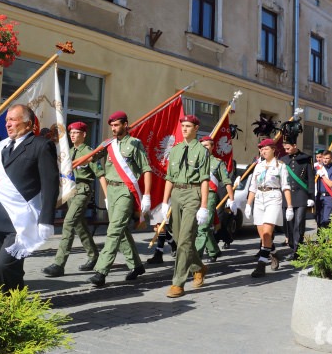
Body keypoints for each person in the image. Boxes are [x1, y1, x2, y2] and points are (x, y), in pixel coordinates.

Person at [0, 104, 59, 290]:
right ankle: (8, 310)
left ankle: (14, 309)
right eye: (6, 120)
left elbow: (50, 184)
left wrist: (47, 220)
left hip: (20, 221)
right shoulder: (1, 147)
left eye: (12, 120)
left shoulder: (41, 145)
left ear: (28, 124)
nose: (7, 124)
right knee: (0, 270)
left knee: (6, 266)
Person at [88, 111, 152, 288]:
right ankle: (137, 265)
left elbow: (146, 169)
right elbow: (92, 159)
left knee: (114, 230)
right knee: (121, 231)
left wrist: (146, 195)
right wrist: (93, 155)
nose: (114, 129)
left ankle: (101, 272)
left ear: (125, 124)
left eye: (117, 125)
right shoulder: (108, 144)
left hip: (126, 191)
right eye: (112, 126)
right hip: (111, 190)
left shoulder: (135, 144)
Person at [42, 121, 107, 277]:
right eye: (71, 133)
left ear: (84, 135)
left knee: (69, 223)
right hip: (70, 190)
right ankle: (93, 255)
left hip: (82, 191)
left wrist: (107, 198)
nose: (72, 135)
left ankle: (59, 264)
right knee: (79, 225)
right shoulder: (69, 152)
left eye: (76, 132)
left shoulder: (89, 153)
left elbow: (100, 175)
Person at [160, 115, 211, 298]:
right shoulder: (175, 150)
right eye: (183, 126)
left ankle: (178, 283)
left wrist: (204, 206)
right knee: (179, 237)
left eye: (188, 126)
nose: (184, 129)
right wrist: (164, 203)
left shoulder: (202, 151)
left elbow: (205, 179)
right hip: (176, 194)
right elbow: (169, 178)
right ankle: (199, 267)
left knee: (185, 239)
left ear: (196, 128)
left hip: (193, 193)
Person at [245, 138, 292, 277]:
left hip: (273, 197)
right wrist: (248, 204)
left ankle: (261, 265)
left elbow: (286, 187)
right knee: (263, 236)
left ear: (273, 149)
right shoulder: (258, 166)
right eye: (261, 149)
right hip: (259, 198)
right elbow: (253, 187)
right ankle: (273, 253)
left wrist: (289, 206)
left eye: (265, 148)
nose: (263, 151)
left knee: (266, 233)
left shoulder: (280, 166)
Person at [195, 135, 237, 263]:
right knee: (200, 227)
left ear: (212, 147)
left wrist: (231, 199)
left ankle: (195, 259)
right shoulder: (194, 162)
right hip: (195, 195)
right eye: (203, 145)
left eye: (208, 145)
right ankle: (214, 251)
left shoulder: (218, 162)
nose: (205, 148)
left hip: (210, 195)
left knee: (203, 226)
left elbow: (226, 181)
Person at [281, 138, 314, 260]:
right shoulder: (283, 160)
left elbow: (310, 179)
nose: (286, 151)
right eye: (285, 149)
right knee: (288, 224)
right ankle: (291, 245)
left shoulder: (306, 159)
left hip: (301, 195)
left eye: (288, 148)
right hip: (287, 197)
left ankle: (297, 250)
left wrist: (311, 196)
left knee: (299, 223)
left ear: (295, 145)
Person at [315, 150, 332, 228]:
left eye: (327, 158)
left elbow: (331, 184)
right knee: (318, 219)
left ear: (331, 158)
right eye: (324, 158)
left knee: (326, 219)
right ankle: (320, 239)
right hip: (318, 196)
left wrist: (323, 176)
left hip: (328, 197)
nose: (325, 160)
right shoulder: (318, 168)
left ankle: (327, 238)